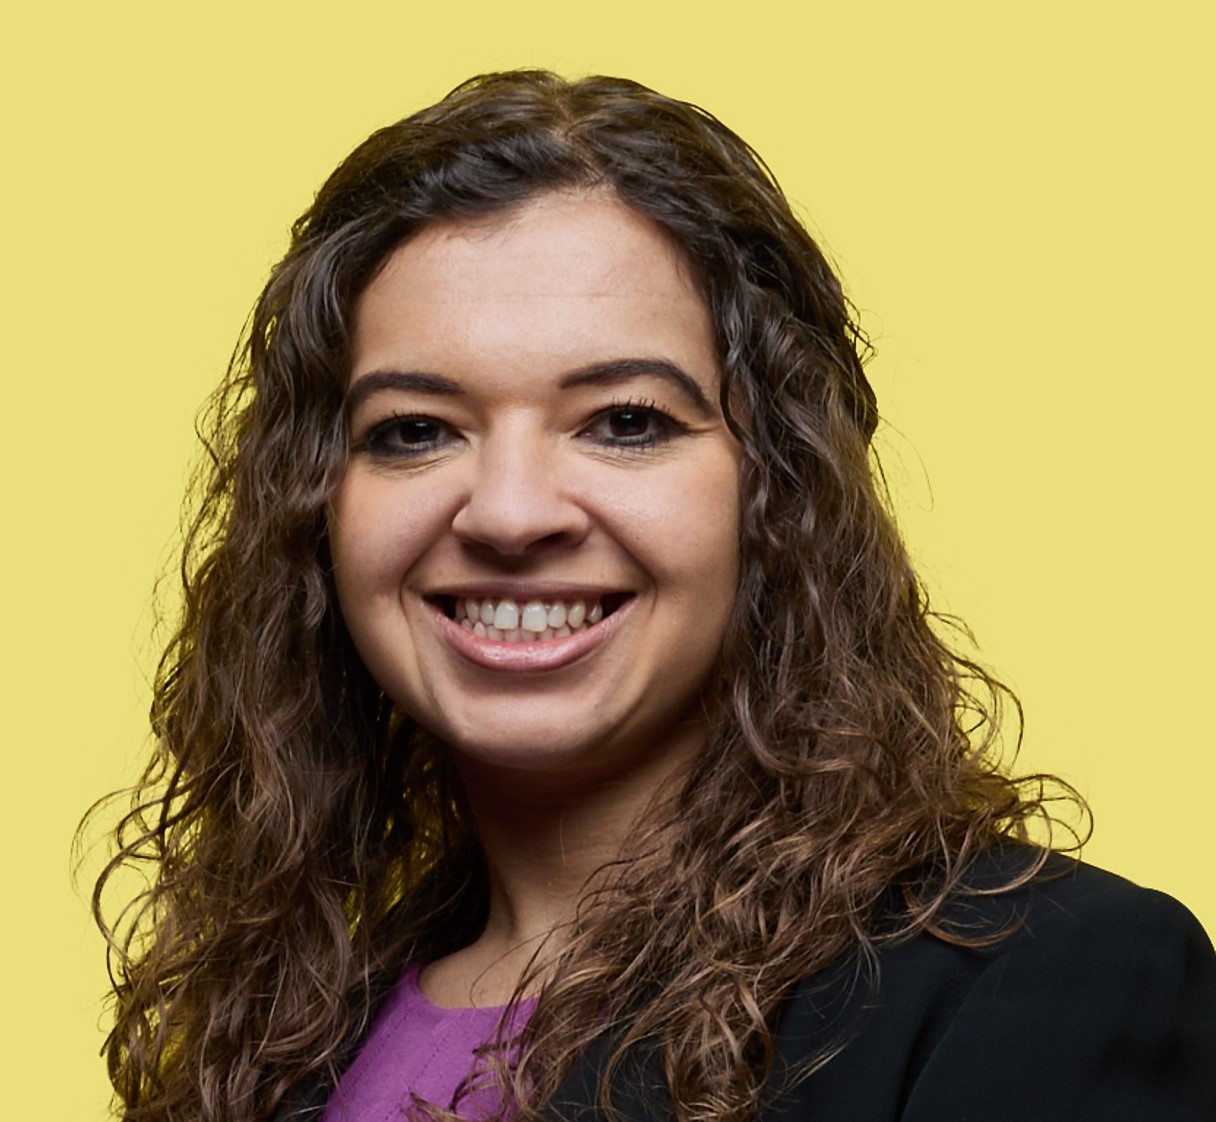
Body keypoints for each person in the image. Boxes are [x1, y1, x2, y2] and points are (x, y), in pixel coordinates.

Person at [91, 71, 1216, 1122]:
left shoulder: (1052, 981)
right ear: (315, 511)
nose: (509, 513)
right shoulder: (279, 1038)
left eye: (625, 421)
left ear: (779, 489)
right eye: (415, 430)